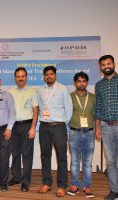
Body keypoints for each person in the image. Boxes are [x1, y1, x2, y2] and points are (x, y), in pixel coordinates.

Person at [37, 66, 73, 197]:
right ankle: (47, 183)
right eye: (46, 74)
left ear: (55, 75)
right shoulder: (40, 90)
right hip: (44, 126)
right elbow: (41, 107)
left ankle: (62, 186)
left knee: (61, 157)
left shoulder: (63, 89)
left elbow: (68, 108)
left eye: (51, 74)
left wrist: (63, 122)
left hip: (59, 126)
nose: (49, 76)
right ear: (44, 76)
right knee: (45, 155)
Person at [95, 55, 118, 200]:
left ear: (114, 64)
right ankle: (115, 190)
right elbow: (98, 107)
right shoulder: (99, 85)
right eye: (103, 64)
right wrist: (97, 127)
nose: (106, 66)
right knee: (111, 162)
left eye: (109, 63)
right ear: (100, 67)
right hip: (105, 127)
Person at [8, 67, 39, 192]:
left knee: (27, 155)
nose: (20, 78)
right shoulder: (10, 91)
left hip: (27, 126)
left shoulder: (32, 91)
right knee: (15, 153)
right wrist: (9, 127)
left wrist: (33, 128)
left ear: (26, 77)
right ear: (15, 78)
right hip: (14, 126)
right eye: (18, 76)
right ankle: (16, 177)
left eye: (23, 76)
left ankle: (26, 181)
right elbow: (9, 111)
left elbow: (36, 111)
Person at [67, 72, 95, 198]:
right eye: (79, 81)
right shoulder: (69, 97)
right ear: (75, 83)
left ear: (87, 82)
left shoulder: (93, 97)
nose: (81, 83)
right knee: (74, 161)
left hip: (89, 132)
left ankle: (87, 187)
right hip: (74, 132)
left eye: (84, 81)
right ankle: (75, 185)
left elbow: (97, 115)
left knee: (88, 162)